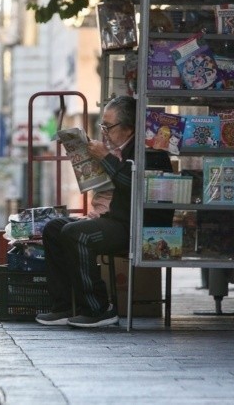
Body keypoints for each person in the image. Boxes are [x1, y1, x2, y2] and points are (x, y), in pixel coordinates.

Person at [36, 96, 172, 328]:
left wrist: (106, 158)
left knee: (76, 234)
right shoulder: (120, 150)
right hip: (116, 219)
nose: (105, 132)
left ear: (129, 128)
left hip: (138, 225)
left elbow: (137, 185)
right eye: (103, 127)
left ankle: (98, 308)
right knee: (54, 228)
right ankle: (65, 305)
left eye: (109, 127)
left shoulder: (150, 151)